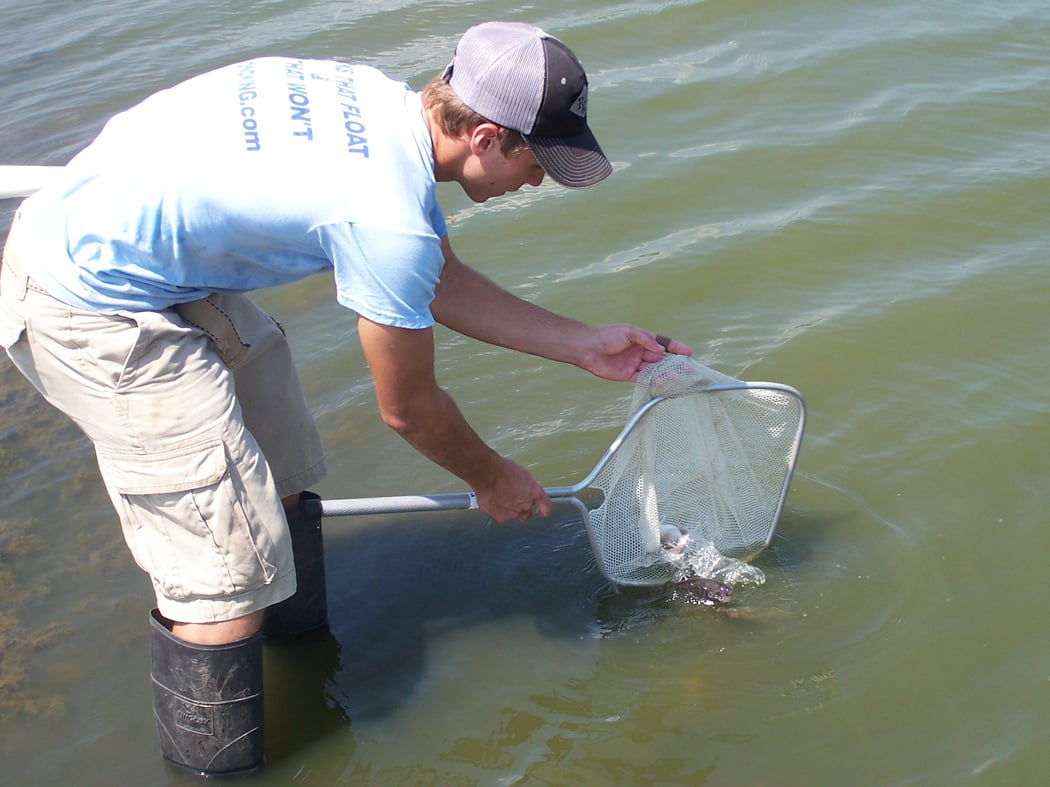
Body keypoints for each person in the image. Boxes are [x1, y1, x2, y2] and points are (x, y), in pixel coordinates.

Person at [0, 21, 690, 775]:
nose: (539, 182)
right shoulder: (386, 215)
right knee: (223, 574)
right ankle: (213, 766)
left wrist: (582, 344)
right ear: (487, 137)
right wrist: (492, 478)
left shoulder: (383, 107)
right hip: (83, 297)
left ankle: (298, 643)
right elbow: (409, 410)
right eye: (538, 162)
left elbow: (436, 279)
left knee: (283, 469)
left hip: (144, 254)